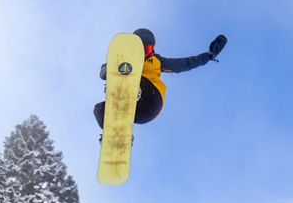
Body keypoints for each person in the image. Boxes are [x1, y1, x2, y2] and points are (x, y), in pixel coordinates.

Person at [94, 28, 227, 130]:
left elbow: (184, 64)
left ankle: (134, 91)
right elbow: (102, 73)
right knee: (99, 109)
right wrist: (111, 70)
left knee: (132, 75)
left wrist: (208, 55)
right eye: (141, 48)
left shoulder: (156, 60)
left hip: (151, 99)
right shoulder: (123, 61)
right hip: (138, 112)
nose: (144, 53)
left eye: (147, 49)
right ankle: (115, 132)